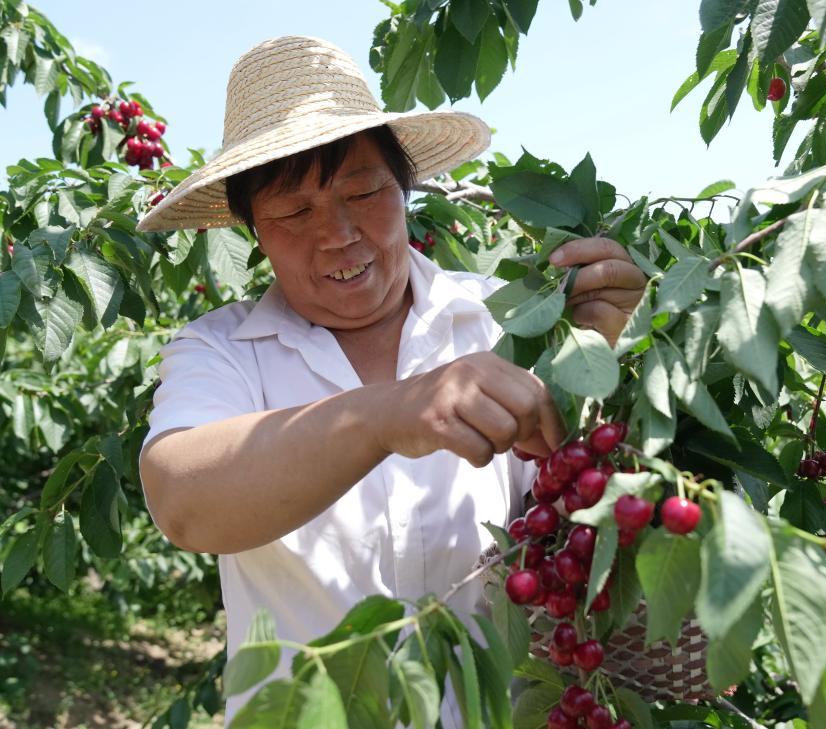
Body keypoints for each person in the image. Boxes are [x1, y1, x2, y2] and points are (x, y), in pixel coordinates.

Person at [136, 35, 646, 725]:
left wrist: (603, 355)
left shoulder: (507, 319)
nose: (338, 232)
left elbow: (580, 507)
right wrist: (385, 415)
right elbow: (184, 500)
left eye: (364, 191)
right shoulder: (220, 352)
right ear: (254, 229)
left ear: (404, 190)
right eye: (294, 211)